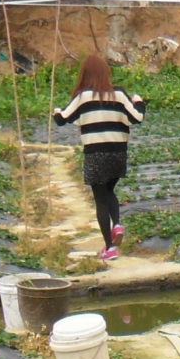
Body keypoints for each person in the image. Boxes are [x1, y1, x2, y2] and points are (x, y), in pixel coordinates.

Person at [52, 55, 145, 260]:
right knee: (109, 190)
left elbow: (62, 119)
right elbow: (137, 118)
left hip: (95, 154)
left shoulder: (82, 97)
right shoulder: (119, 94)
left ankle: (109, 248)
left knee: (100, 199)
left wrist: (55, 111)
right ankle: (117, 224)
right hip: (118, 153)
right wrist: (139, 102)